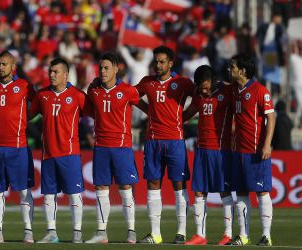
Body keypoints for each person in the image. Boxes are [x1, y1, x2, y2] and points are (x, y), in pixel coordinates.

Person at [134, 46, 195, 244]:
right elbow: (133, 97)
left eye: (162, 62)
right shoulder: (147, 82)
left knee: (179, 185)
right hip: (153, 141)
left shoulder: (182, 83)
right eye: (156, 62)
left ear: (171, 63)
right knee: (153, 185)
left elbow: (199, 100)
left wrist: (183, 117)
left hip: (175, 141)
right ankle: (155, 233)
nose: (158, 65)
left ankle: (181, 232)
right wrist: (148, 111)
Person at [0, 51, 36, 244]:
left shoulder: (24, 86)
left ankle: (28, 231)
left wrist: (24, 122)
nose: (0, 67)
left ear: (13, 67)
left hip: (18, 147)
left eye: (4, 64)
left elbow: (37, 106)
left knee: (23, 191)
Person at [29, 58, 86, 244]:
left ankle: (77, 232)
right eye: (50, 72)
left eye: (55, 72)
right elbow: (27, 116)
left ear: (65, 75)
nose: (51, 75)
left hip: (69, 154)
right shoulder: (42, 95)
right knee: (48, 195)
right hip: (48, 154)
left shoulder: (77, 95)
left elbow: (93, 115)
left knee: (74, 194)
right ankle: (51, 232)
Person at [84, 53, 139, 244]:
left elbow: (144, 106)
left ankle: (131, 230)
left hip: (121, 147)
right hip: (101, 147)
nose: (103, 71)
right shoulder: (94, 91)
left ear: (117, 69)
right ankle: (101, 232)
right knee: (101, 187)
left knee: (125, 187)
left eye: (107, 68)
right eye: (101, 68)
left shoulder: (128, 90)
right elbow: (89, 111)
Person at [181, 65, 235, 245]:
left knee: (224, 190)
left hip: (220, 150)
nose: (203, 89)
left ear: (213, 80)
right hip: (201, 148)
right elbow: (187, 114)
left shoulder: (227, 92)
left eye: (205, 86)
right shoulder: (198, 94)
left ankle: (228, 235)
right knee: (199, 191)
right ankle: (200, 235)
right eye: (200, 86)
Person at [227, 53, 275, 246]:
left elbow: (271, 118)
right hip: (238, 150)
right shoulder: (233, 90)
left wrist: (267, 144)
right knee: (240, 193)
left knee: (262, 192)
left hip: (256, 150)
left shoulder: (259, 90)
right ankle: (243, 235)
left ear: (243, 70)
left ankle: (266, 236)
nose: (230, 69)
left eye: (233, 67)